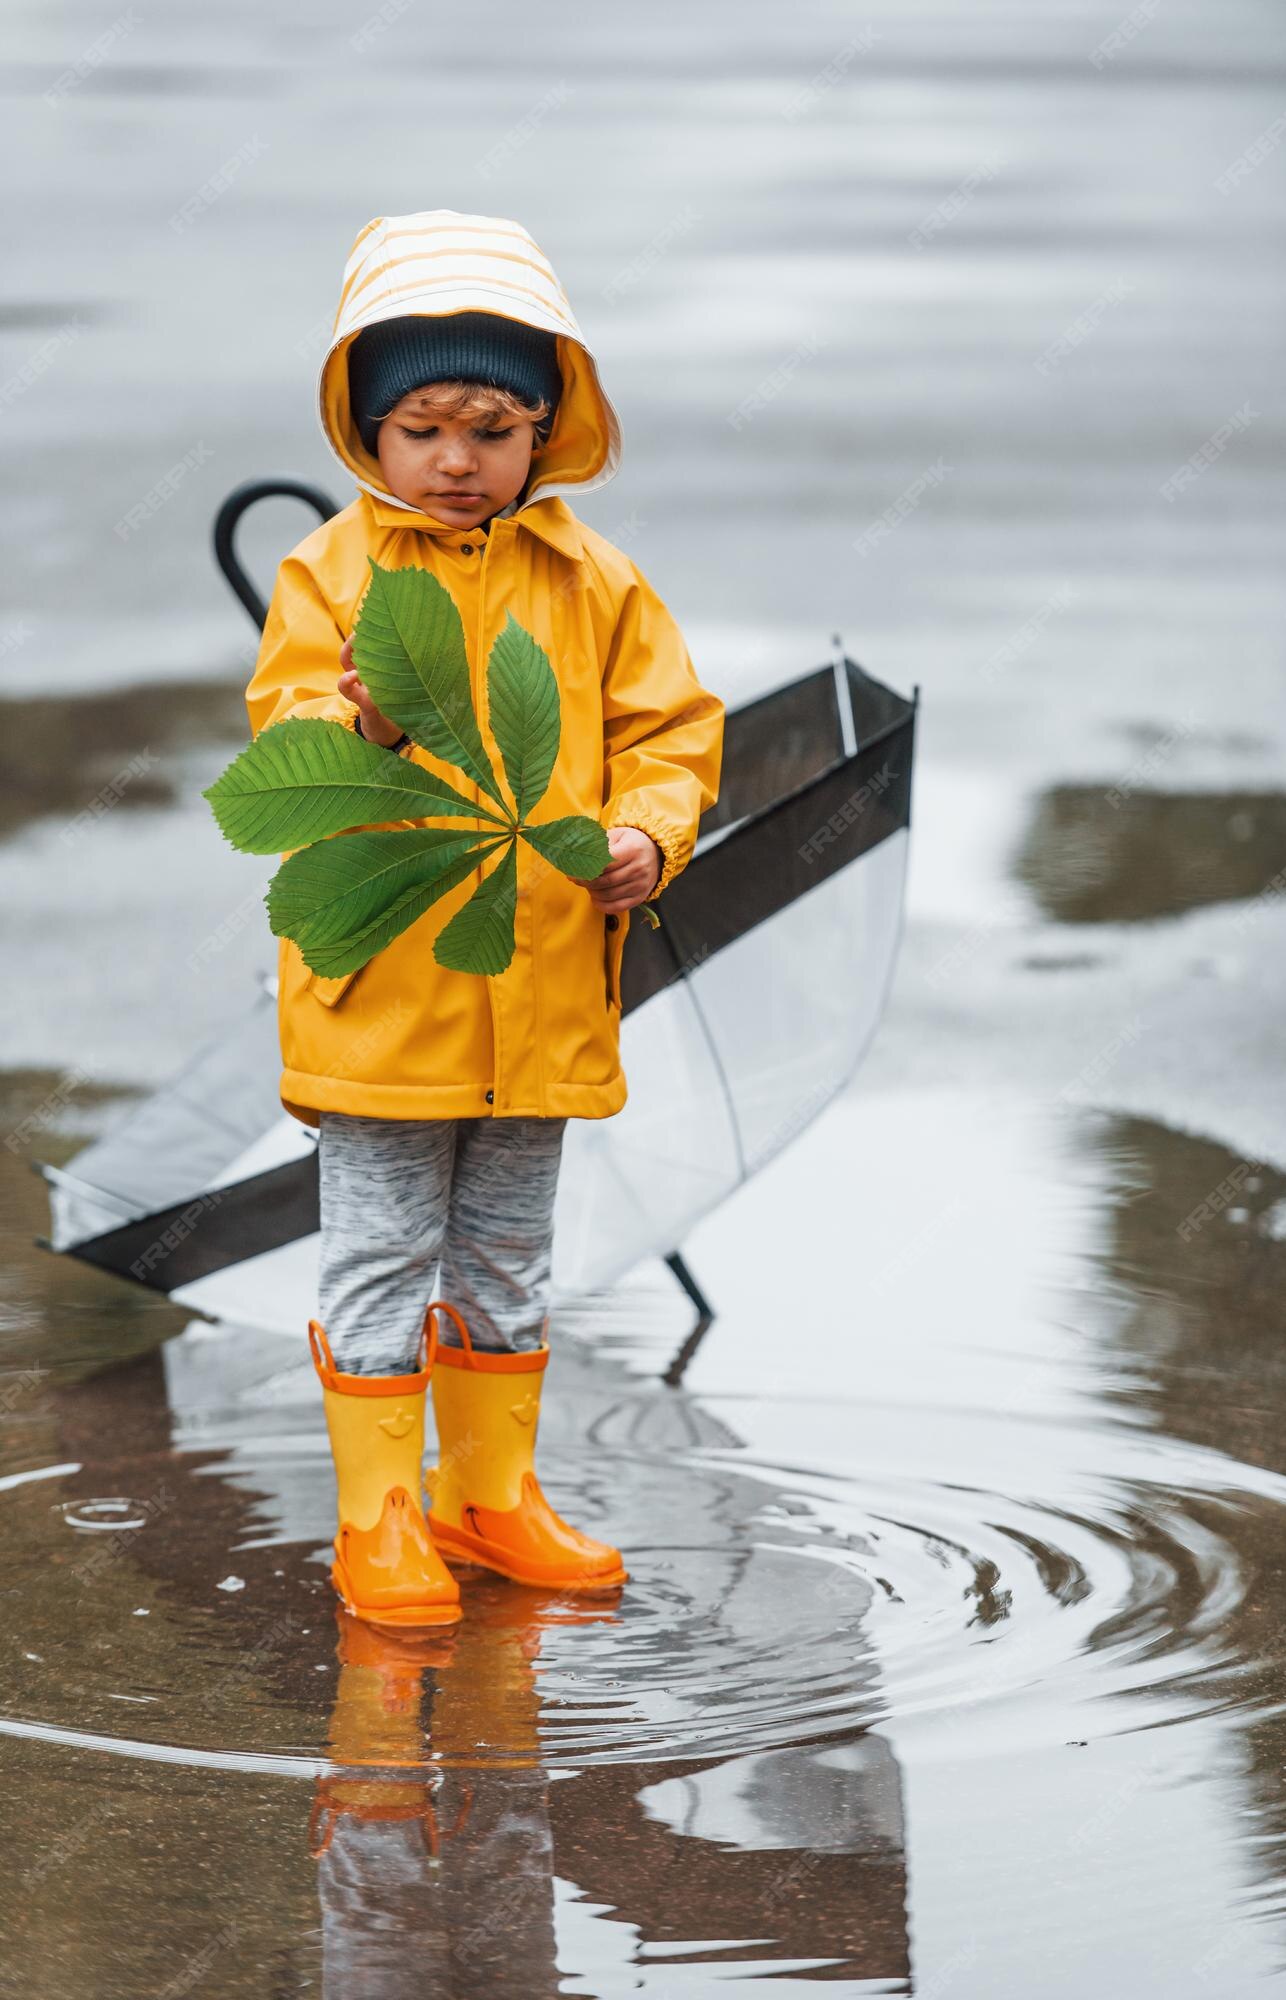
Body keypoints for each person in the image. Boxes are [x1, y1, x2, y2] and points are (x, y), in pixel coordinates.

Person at [244, 207, 725, 1628]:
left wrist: (647, 828)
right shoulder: (331, 576)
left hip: (543, 989)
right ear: (368, 433)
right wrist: (363, 714)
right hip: (387, 989)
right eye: (424, 427)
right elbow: (284, 749)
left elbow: (670, 731)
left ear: (548, 429)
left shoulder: (594, 579)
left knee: (509, 1250)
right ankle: (378, 1518)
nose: (458, 459)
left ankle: (489, 1495)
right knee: (384, 1248)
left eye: (495, 425)